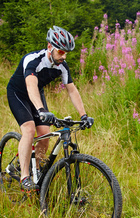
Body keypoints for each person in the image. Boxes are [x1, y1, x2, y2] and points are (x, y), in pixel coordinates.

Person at [6, 26, 94, 191]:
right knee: (29, 129)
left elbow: (72, 90)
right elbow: (31, 85)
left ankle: (35, 170)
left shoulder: (62, 66)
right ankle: (25, 176)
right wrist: (40, 110)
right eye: (61, 52)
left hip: (36, 94)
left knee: (45, 134)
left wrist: (84, 115)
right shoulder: (33, 60)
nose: (64, 56)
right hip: (18, 93)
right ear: (49, 47)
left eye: (66, 53)